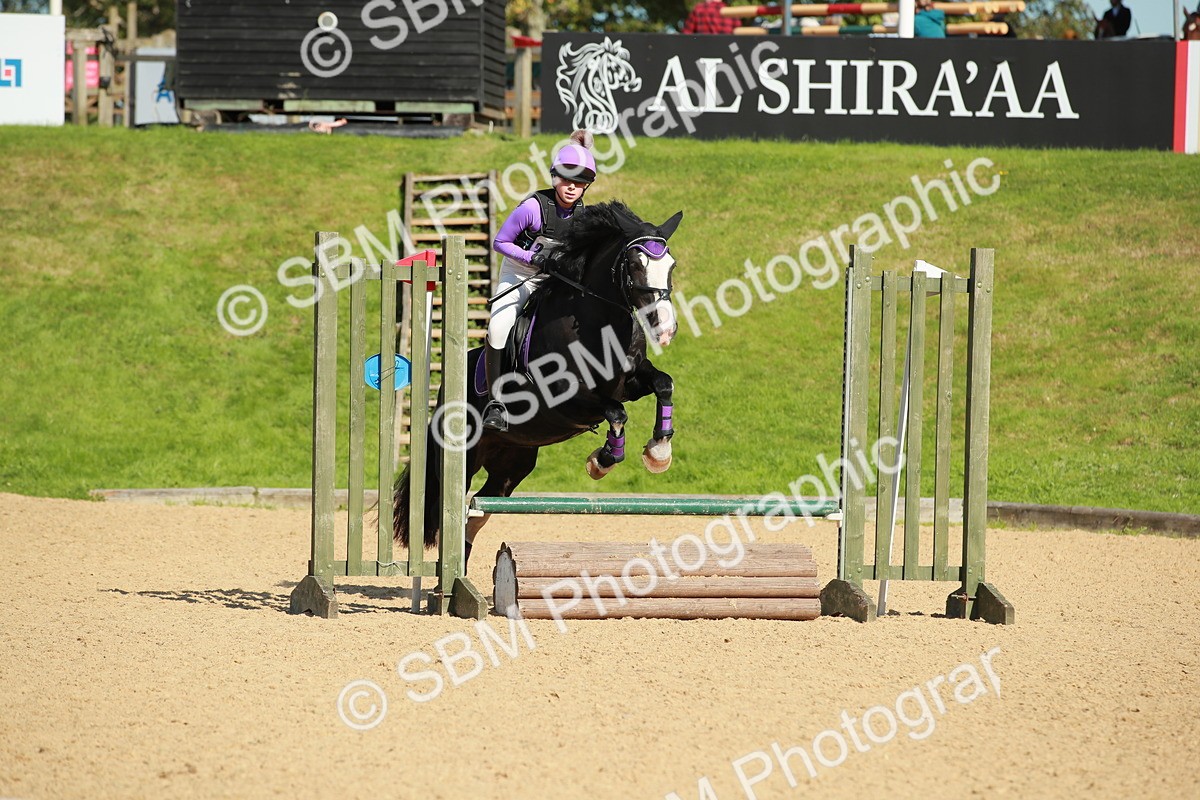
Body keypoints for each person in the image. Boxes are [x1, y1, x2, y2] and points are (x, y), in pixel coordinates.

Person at [484, 129, 597, 432]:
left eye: (580, 183)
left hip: (555, 282)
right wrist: (534, 259)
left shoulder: (584, 216)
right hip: (520, 276)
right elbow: (501, 242)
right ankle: (496, 402)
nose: (572, 188)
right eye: (567, 180)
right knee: (498, 328)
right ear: (555, 178)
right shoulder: (533, 208)